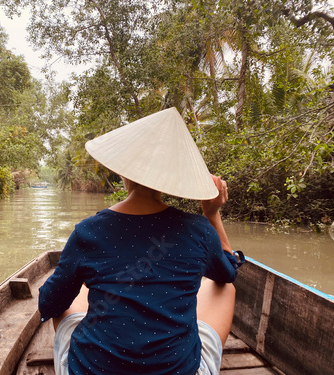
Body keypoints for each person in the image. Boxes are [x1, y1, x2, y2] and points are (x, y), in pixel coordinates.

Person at [38, 108, 245, 375]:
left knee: (72, 294)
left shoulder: (88, 232)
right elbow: (228, 272)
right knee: (225, 289)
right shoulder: (199, 229)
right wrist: (212, 213)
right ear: (173, 179)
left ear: (124, 172)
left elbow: (49, 304)